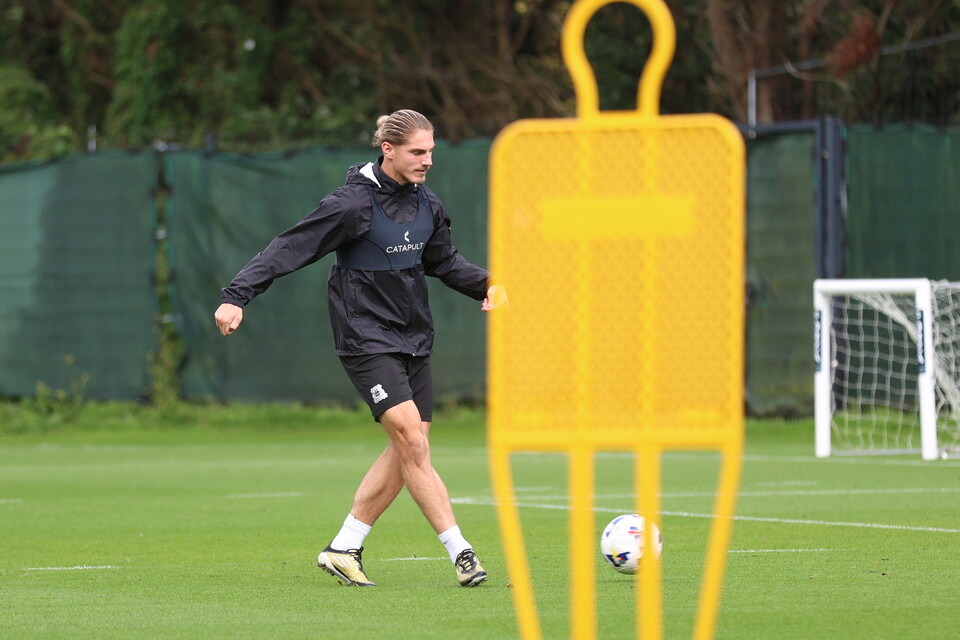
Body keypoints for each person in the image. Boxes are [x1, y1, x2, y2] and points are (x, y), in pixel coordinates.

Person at [214, 109, 507, 588]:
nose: (428, 160)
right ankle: (462, 552)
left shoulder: (428, 203)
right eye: (417, 151)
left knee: (408, 446)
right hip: (365, 338)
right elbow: (290, 247)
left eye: (431, 151)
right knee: (412, 440)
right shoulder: (351, 204)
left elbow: (444, 262)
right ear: (388, 149)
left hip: (415, 337)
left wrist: (488, 283)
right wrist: (236, 296)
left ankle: (344, 547)